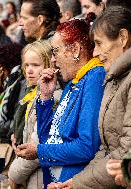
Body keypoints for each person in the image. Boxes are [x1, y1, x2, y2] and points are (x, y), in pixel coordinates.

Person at [51, 6, 131, 189]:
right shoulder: (119, 76)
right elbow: (105, 148)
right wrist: (76, 182)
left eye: (99, 43)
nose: (94, 53)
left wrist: (78, 183)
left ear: (123, 38)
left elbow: (128, 150)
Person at [15, 15, 105, 189]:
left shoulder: (95, 77)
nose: (53, 59)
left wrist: (39, 151)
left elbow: (86, 147)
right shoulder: (73, 82)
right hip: (54, 181)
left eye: (55, 51)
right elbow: (47, 137)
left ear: (76, 50)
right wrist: (46, 98)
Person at [8, 40, 62, 189]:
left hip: (40, 176)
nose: (29, 70)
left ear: (50, 66)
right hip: (29, 175)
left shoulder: (54, 97)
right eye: (26, 65)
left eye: (35, 65)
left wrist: (13, 174)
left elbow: (37, 147)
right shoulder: (31, 94)